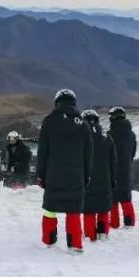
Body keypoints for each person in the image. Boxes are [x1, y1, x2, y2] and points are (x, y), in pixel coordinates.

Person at [36, 89, 92, 254]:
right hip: (76, 175)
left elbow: (42, 152)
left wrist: (40, 174)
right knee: (73, 209)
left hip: (53, 173)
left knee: (50, 208)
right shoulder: (83, 124)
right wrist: (87, 175)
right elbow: (88, 155)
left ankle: (48, 240)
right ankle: (75, 244)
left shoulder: (48, 122)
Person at [81, 110, 116, 241]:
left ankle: (90, 235)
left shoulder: (81, 138)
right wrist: (113, 180)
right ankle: (103, 233)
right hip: (105, 179)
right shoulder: (107, 138)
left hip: (86, 180)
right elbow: (113, 162)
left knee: (88, 210)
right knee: (103, 208)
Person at [107, 106, 138, 229]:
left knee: (113, 198)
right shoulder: (131, 134)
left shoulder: (109, 135)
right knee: (126, 197)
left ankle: (114, 223)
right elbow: (133, 152)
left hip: (112, 169)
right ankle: (129, 222)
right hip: (126, 168)